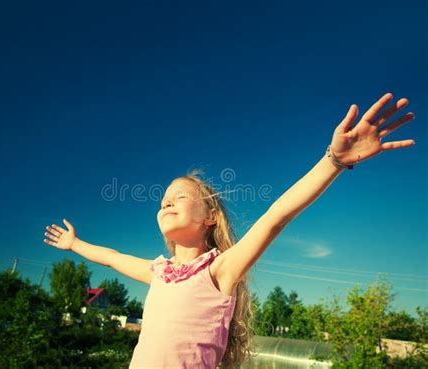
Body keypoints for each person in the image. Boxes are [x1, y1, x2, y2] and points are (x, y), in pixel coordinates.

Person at [43, 92, 416, 369]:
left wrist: (333, 161)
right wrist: (75, 244)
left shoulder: (219, 270)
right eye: (163, 201)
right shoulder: (159, 272)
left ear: (210, 218)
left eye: (180, 196)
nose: (167, 202)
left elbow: (275, 217)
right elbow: (112, 258)